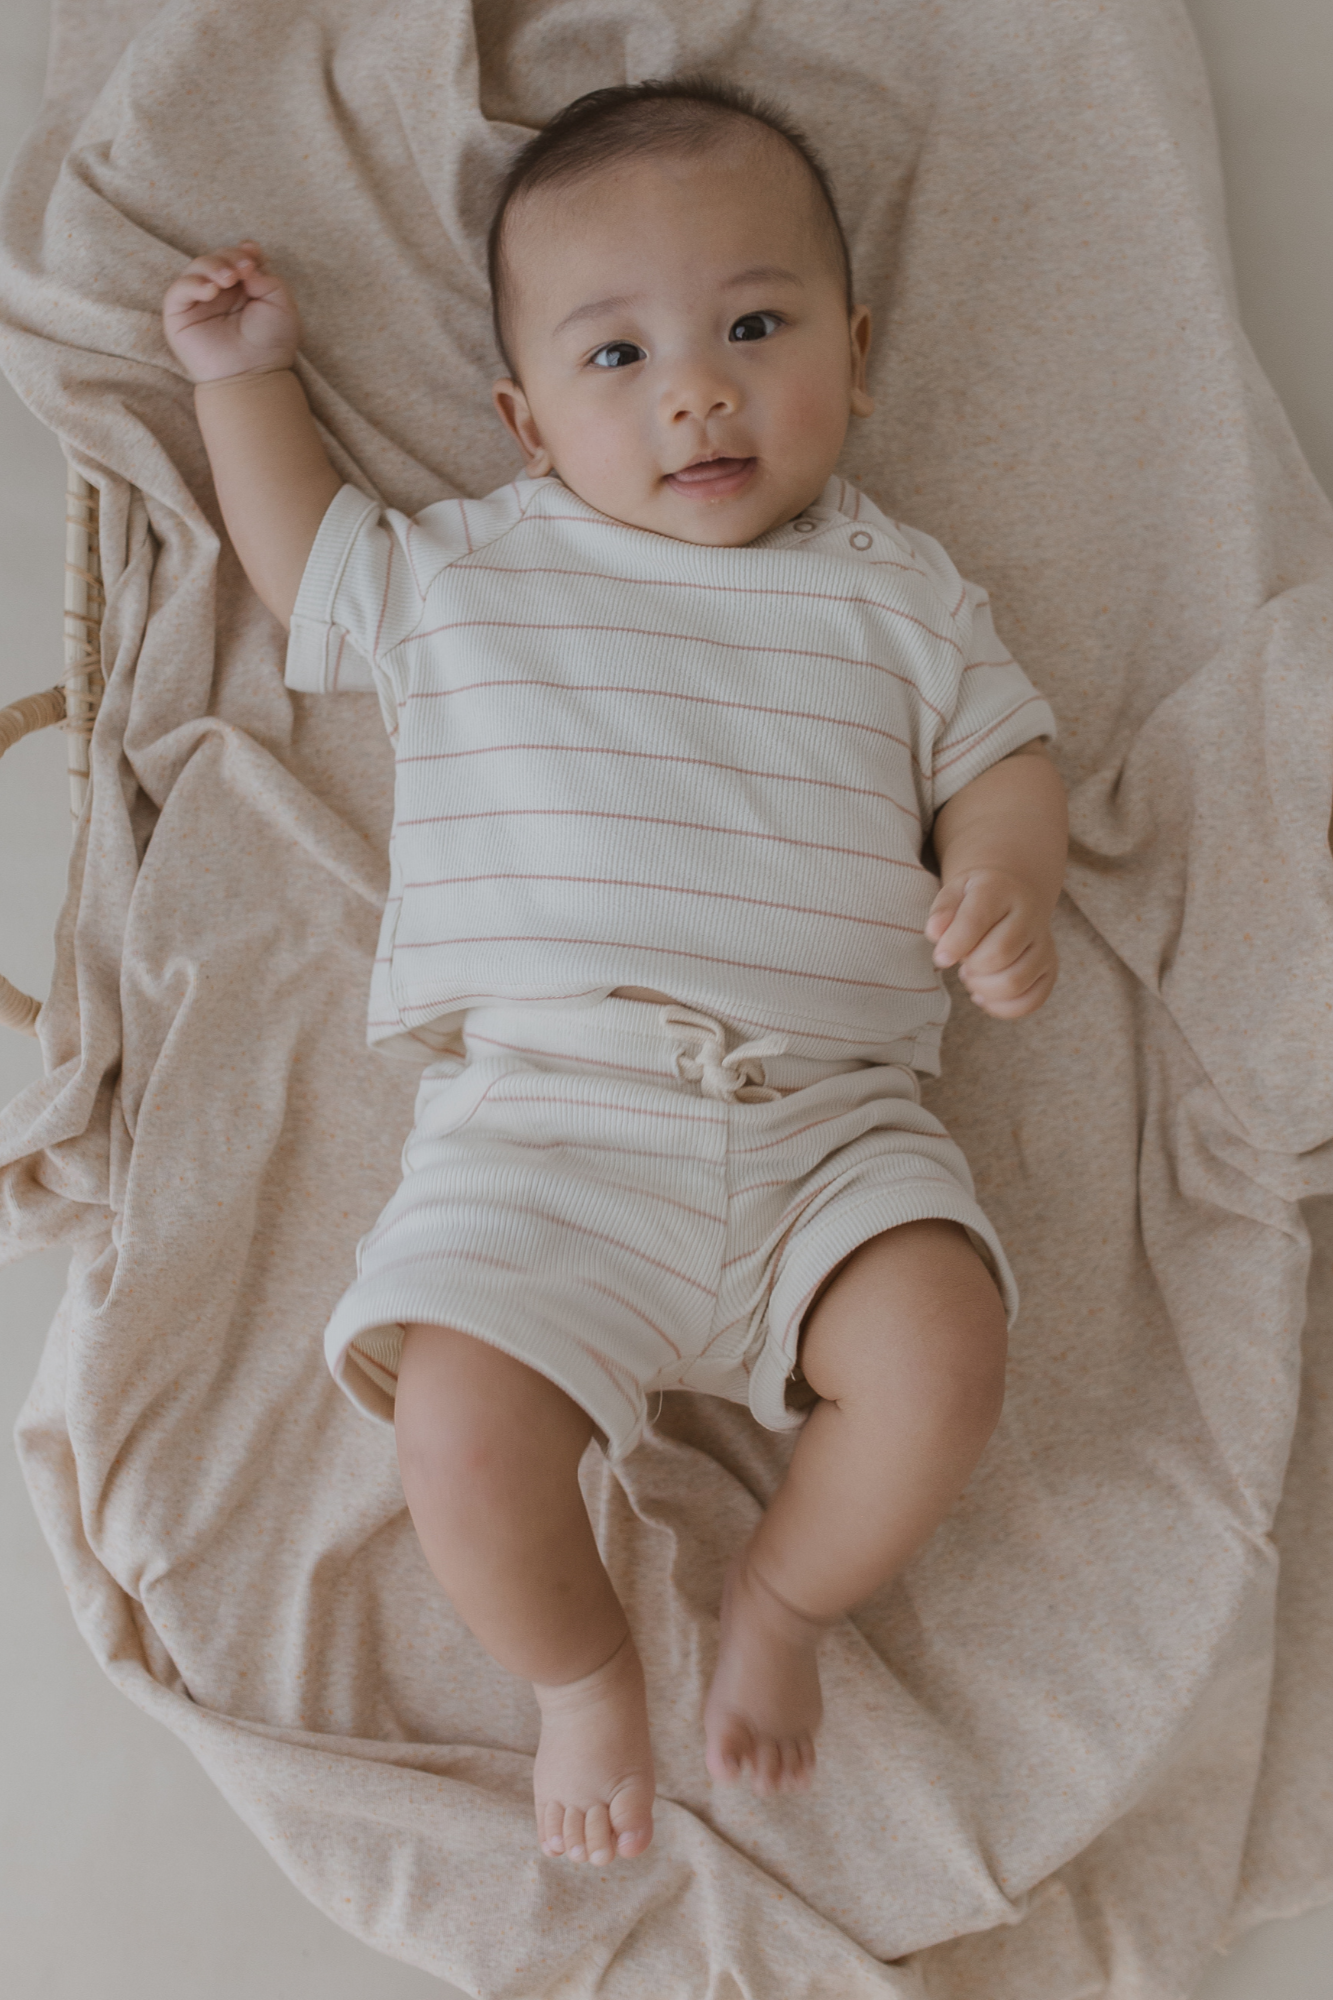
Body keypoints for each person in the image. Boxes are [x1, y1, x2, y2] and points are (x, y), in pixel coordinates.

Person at [162, 78, 1067, 1874]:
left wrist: (1002, 875)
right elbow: (306, 564)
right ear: (522, 421)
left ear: (859, 354)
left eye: (754, 325)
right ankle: (581, 1675)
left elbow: (1007, 759)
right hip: (547, 1134)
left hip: (833, 1132)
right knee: (458, 1430)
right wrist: (240, 378)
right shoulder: (478, 576)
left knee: (946, 1344)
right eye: (618, 356)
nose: (697, 390)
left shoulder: (905, 595)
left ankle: (789, 1604)